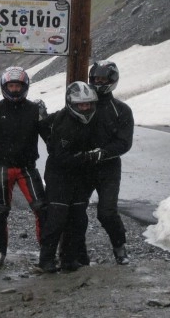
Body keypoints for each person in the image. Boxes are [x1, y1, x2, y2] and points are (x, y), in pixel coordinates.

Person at [0, 66, 50, 268]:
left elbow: (50, 138)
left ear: (24, 86)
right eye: (10, 85)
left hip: (27, 167)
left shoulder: (35, 109)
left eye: (18, 85)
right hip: (1, 167)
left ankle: (46, 252)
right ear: (5, 87)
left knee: (41, 209)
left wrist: (49, 122)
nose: (14, 90)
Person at [37, 81, 99, 273]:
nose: (85, 108)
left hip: (81, 177)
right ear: (72, 104)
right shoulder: (61, 120)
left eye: (88, 104)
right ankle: (46, 260)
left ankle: (70, 259)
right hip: (59, 176)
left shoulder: (94, 120)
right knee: (56, 219)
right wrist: (84, 156)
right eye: (81, 105)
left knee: (78, 219)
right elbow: (59, 155)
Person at [81, 60, 134, 265]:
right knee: (76, 210)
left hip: (109, 168)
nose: (98, 82)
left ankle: (120, 247)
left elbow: (124, 143)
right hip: (83, 166)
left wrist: (102, 153)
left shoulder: (121, 109)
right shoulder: (82, 104)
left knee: (106, 212)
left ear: (112, 80)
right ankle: (77, 251)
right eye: (95, 79)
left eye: (103, 79)